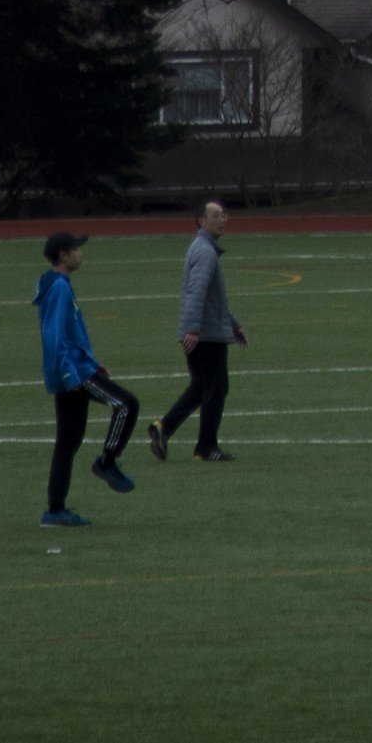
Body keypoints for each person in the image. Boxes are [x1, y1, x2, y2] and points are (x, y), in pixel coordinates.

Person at [33, 230, 138, 525]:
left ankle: (54, 511)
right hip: (74, 373)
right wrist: (71, 373)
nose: (81, 253)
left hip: (78, 367)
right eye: (76, 249)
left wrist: (92, 361)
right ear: (63, 255)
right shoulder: (59, 289)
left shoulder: (58, 284)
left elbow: (69, 333)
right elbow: (53, 337)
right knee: (127, 404)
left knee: (67, 443)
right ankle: (106, 463)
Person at [152, 199, 247, 464]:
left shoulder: (202, 248)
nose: (222, 219)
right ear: (202, 221)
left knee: (201, 387)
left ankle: (164, 428)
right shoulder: (205, 252)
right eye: (216, 215)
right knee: (216, 389)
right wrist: (193, 329)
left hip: (203, 332)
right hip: (205, 336)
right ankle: (205, 448)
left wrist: (234, 325)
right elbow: (196, 292)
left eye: (224, 214)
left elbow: (214, 299)